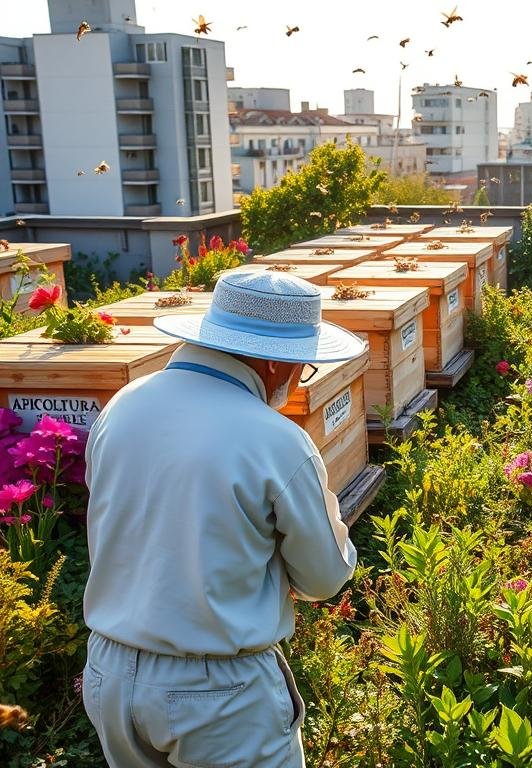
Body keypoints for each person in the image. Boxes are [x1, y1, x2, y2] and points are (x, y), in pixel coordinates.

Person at [81, 271, 366, 767]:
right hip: (217, 695)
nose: (301, 377)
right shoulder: (273, 439)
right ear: (275, 361)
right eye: (303, 365)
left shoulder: (123, 406)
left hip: (108, 672)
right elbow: (323, 577)